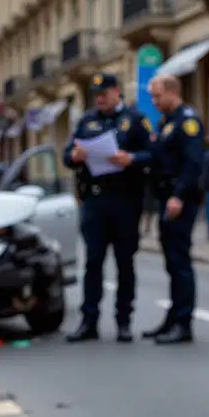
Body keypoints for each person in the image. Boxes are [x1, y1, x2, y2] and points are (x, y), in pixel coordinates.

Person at [62, 73, 153, 343]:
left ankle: (123, 320)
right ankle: (89, 320)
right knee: (93, 262)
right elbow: (68, 155)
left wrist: (131, 159)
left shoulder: (135, 121)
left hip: (125, 200)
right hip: (94, 200)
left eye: (104, 94)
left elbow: (153, 154)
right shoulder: (87, 121)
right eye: (96, 95)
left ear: (117, 92)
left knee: (125, 263)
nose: (99, 99)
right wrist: (74, 157)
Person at [142, 74, 205, 345]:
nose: (154, 101)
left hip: (180, 201)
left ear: (172, 92)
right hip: (165, 199)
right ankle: (172, 318)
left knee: (180, 263)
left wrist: (178, 196)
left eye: (157, 96)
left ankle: (183, 323)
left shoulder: (187, 121)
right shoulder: (166, 122)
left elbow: (193, 163)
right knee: (171, 262)